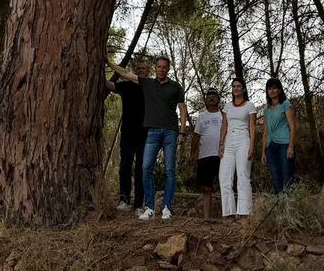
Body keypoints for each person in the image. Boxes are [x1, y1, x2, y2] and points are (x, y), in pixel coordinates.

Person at [109, 54, 189, 220]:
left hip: (168, 131)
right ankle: (149, 208)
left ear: (168, 69)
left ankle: (166, 207)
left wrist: (182, 131)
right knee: (145, 168)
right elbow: (126, 74)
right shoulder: (147, 84)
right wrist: (108, 62)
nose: (161, 70)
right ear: (156, 68)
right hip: (150, 132)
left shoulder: (174, 86)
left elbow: (182, 108)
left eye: (164, 67)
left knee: (169, 169)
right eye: (159, 67)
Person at [105, 55, 150, 210]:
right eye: (138, 68)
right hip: (127, 134)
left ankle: (139, 203)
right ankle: (124, 199)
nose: (140, 71)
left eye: (143, 69)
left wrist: (110, 63)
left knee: (141, 168)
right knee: (125, 165)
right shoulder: (126, 86)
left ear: (148, 72)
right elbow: (110, 86)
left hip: (144, 134)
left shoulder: (149, 86)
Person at [217, 77, 257, 219]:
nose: (236, 88)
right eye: (234, 86)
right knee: (224, 177)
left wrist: (252, 145)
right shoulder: (227, 106)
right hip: (229, 141)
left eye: (239, 86)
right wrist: (221, 144)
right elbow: (224, 126)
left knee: (242, 175)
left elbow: (252, 126)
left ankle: (244, 212)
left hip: (243, 140)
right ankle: (228, 212)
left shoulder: (250, 106)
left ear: (243, 89)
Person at [190, 87, 223, 220]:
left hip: (222, 155)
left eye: (214, 95)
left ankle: (227, 216)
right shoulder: (201, 117)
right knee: (206, 188)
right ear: (205, 99)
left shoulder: (224, 115)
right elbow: (196, 137)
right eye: (209, 95)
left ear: (219, 99)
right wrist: (193, 154)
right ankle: (206, 218)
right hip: (205, 156)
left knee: (224, 185)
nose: (211, 97)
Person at [263, 77, 297, 194]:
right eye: (269, 89)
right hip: (270, 147)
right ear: (267, 91)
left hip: (284, 145)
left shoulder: (285, 104)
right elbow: (265, 132)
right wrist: (263, 151)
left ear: (279, 90)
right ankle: (281, 209)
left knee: (287, 178)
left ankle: (291, 208)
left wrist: (291, 147)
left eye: (275, 88)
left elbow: (292, 126)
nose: (272, 91)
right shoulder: (266, 110)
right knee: (276, 179)